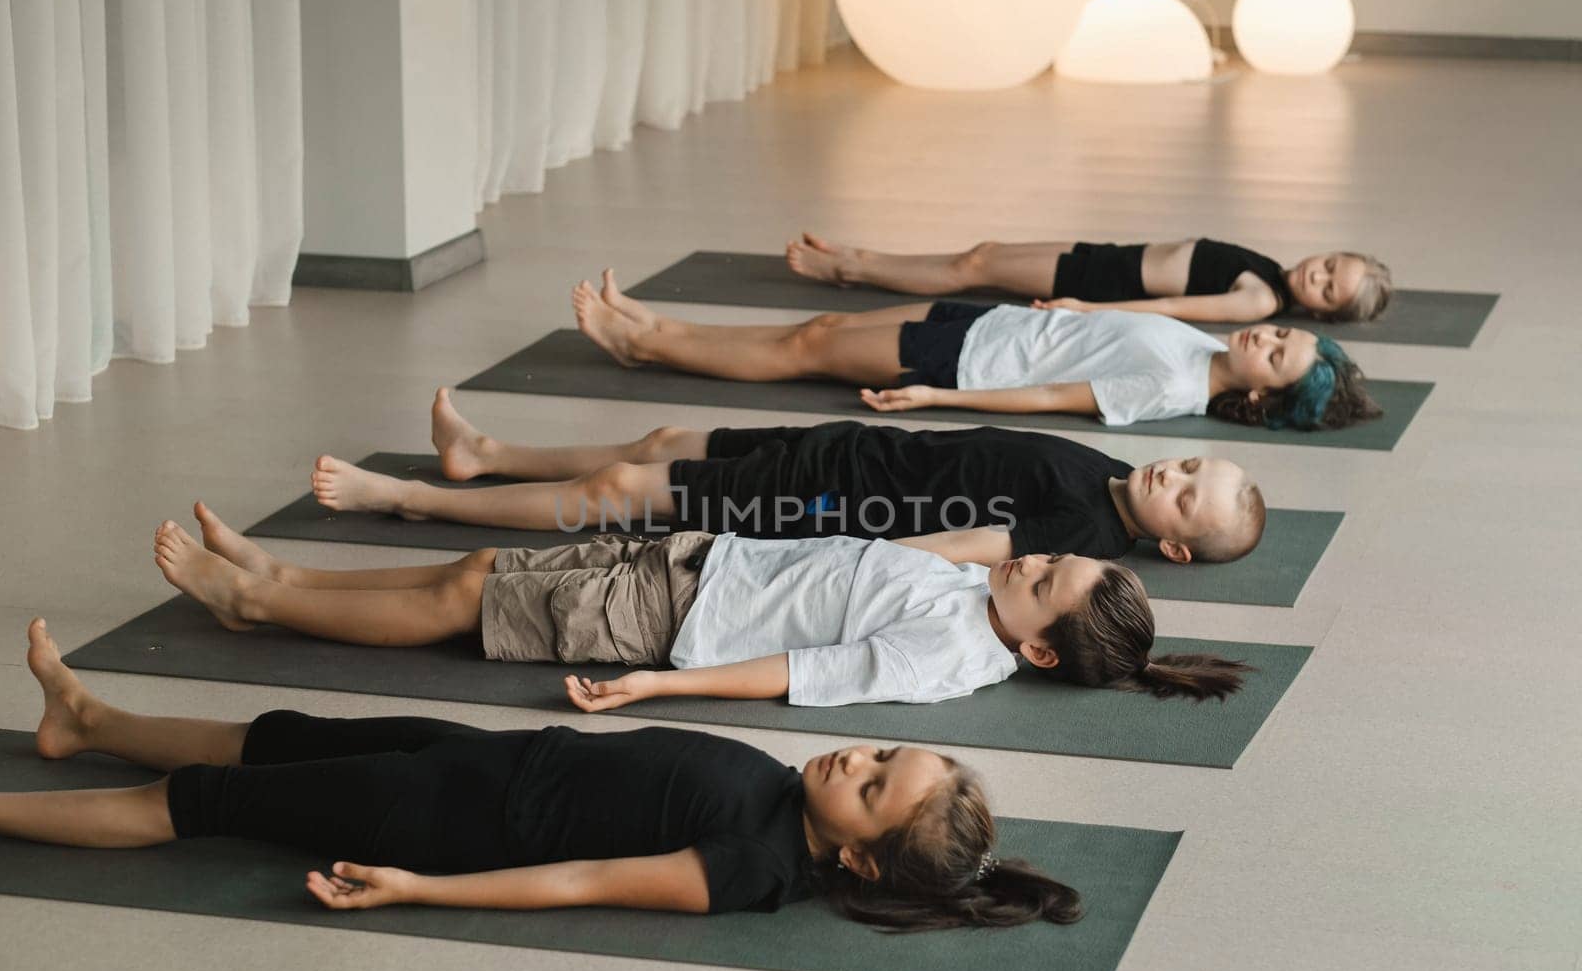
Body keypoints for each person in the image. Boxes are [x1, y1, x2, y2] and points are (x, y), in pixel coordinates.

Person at [0, 619, 1082, 928]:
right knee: (280, 733)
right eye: (886, 749)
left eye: (875, 782)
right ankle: (90, 716)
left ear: (856, 849)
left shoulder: (747, 864)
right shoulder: (782, 794)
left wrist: (418, 888)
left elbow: (578, 881)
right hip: (488, 759)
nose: (860, 753)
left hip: (438, 814)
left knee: (211, 805)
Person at [154, 504, 1249, 705]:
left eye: (1045, 581)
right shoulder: (980, 599)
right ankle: (285, 580)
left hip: (669, 621)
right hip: (699, 561)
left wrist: (662, 680)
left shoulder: (950, 654)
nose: (1034, 562)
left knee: (459, 598)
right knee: (485, 564)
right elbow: (880, 558)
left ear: (1043, 651)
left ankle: (260, 608)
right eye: (1053, 558)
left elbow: (801, 674)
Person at [311, 391, 1265, 565]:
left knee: (616, 495)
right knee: (664, 436)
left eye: (1187, 496)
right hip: (841, 448)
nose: (1172, 473)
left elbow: (959, 548)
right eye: (1189, 463)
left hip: (824, 498)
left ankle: (407, 497)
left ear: (1174, 542)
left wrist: (824, 543)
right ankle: (487, 456)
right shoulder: (1111, 480)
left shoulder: (1087, 532)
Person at [569, 270, 1381, 430]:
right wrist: (1082, 305)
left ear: (1261, 397)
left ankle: (648, 348)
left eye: (1276, 355)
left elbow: (1048, 401)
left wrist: (940, 399)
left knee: (806, 345)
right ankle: (655, 329)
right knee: (808, 333)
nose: (1266, 336)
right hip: (992, 322)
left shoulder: (1170, 388)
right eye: (1281, 331)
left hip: (971, 363)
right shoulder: (1204, 348)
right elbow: (1115, 328)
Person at [784, 233, 1392, 324]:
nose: (1320, 274)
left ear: (1319, 310)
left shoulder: (1259, 299)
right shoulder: (1269, 272)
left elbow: (1175, 309)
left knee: (974, 270)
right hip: (1105, 257)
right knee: (980, 258)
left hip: (1100, 281)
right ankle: (859, 260)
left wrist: (1087, 307)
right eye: (1332, 265)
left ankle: (849, 266)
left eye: (1328, 288)